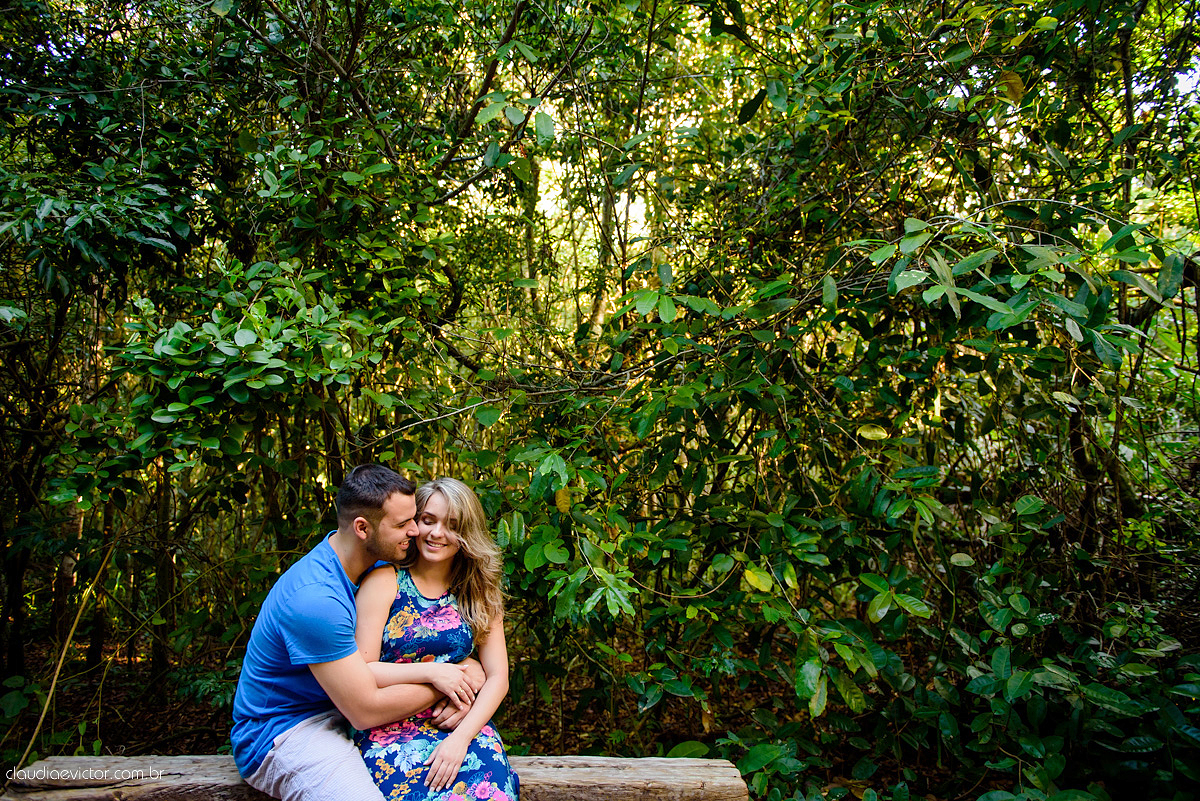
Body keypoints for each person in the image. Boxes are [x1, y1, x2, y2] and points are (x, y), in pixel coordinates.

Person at [230, 465, 484, 801]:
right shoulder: (315, 599)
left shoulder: (375, 564)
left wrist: (467, 670)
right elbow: (366, 710)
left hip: (341, 710)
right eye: (402, 524)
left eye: (413, 519)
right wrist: (456, 681)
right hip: (287, 731)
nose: (414, 531)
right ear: (362, 528)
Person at [354, 476, 520, 800]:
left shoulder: (480, 591)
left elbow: (499, 677)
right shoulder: (385, 581)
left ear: (467, 532)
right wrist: (434, 673)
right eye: (428, 520)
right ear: (414, 524)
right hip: (389, 728)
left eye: (451, 525)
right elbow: (363, 668)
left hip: (462, 726)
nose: (436, 533)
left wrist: (461, 738)